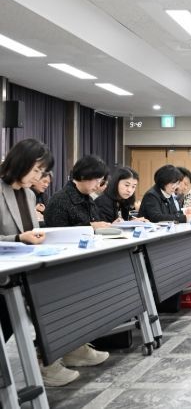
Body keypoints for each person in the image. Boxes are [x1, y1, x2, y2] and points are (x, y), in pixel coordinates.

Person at [1, 139, 108, 386]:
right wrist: (18, 238)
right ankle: (46, 362)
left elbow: (33, 233)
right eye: (36, 170)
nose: (39, 177)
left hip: (29, 266)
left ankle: (69, 348)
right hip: (8, 273)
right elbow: (22, 235)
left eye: (42, 171)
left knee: (70, 289)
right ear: (19, 163)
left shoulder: (28, 194)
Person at [44, 155, 111, 229]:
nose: (98, 185)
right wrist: (89, 227)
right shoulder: (59, 200)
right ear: (83, 175)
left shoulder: (89, 200)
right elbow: (57, 233)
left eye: (100, 181)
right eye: (97, 180)